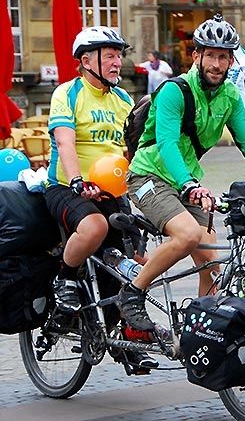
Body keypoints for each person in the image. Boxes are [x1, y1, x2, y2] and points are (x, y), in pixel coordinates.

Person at [118, 14, 245, 332]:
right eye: (211, 55)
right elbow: (166, 144)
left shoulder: (230, 97)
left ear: (231, 60)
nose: (217, 64)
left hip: (187, 182)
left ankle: (201, 329)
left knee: (213, 261)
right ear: (196, 56)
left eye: (223, 56)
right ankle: (132, 293)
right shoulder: (174, 92)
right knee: (189, 235)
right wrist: (189, 184)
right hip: (150, 176)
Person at [45, 26, 158, 371]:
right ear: (85, 60)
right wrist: (78, 181)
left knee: (137, 261)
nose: (117, 62)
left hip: (113, 192)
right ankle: (64, 278)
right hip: (67, 187)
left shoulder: (123, 99)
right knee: (94, 228)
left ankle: (127, 337)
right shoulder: (68, 93)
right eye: (109, 55)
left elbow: (133, 151)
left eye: (118, 55)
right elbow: (65, 143)